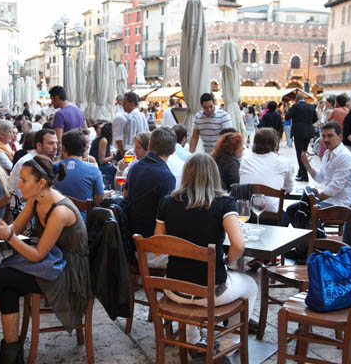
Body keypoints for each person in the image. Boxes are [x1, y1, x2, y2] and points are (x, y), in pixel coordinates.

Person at [0, 155, 91, 363]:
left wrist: (6, 236)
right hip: (52, 262)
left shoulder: (60, 210)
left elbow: (37, 254)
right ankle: (10, 357)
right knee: (6, 288)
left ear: (41, 183)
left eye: (24, 180)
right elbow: (14, 228)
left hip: (68, 273)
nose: (19, 184)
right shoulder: (36, 199)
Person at [154, 153, 258, 350]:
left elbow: (158, 246)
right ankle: (229, 343)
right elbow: (239, 245)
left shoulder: (167, 203)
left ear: (185, 174)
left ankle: (192, 339)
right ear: (213, 175)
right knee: (251, 286)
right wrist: (229, 261)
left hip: (173, 288)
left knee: (194, 277)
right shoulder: (223, 203)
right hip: (210, 294)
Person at [285, 121, 351, 227]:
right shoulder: (327, 153)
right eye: (323, 136)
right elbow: (320, 178)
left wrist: (314, 200)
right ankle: (307, 239)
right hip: (329, 201)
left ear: (340, 137)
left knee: (298, 210)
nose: (326, 139)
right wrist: (307, 165)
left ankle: (311, 238)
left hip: (340, 205)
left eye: (330, 136)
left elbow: (335, 188)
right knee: (294, 210)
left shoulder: (344, 156)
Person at [126, 127, 177, 268]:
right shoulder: (166, 177)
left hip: (131, 242)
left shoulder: (134, 168)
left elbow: (126, 197)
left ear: (149, 146)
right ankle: (176, 290)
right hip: (149, 249)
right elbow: (166, 217)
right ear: (173, 151)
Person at [239, 128, 294, 214]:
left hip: (246, 213)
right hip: (272, 214)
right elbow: (289, 188)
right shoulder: (283, 162)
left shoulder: (245, 159)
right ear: (274, 143)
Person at [55, 129, 104, 218]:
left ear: (63, 149)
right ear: (85, 147)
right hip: (82, 227)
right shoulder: (93, 170)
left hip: (53, 223)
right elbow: (99, 202)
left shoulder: (51, 169)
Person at [9, 129, 58, 200]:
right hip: (23, 206)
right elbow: (23, 197)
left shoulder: (42, 160)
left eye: (56, 143)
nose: (55, 147)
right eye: (50, 143)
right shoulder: (30, 163)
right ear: (39, 145)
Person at [285, 92, 318, 182]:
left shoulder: (295, 106)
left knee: (300, 153)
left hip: (298, 132)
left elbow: (287, 117)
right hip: (308, 132)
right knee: (304, 152)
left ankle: (304, 175)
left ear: (296, 99)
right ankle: (300, 172)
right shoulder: (311, 106)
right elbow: (315, 119)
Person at [90, 122, 117, 189]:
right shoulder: (103, 140)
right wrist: (114, 156)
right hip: (99, 167)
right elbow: (101, 160)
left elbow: (109, 154)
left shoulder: (104, 140)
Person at [113, 95, 129, 159]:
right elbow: (118, 138)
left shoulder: (123, 114)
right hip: (122, 149)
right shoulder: (120, 115)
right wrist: (123, 153)